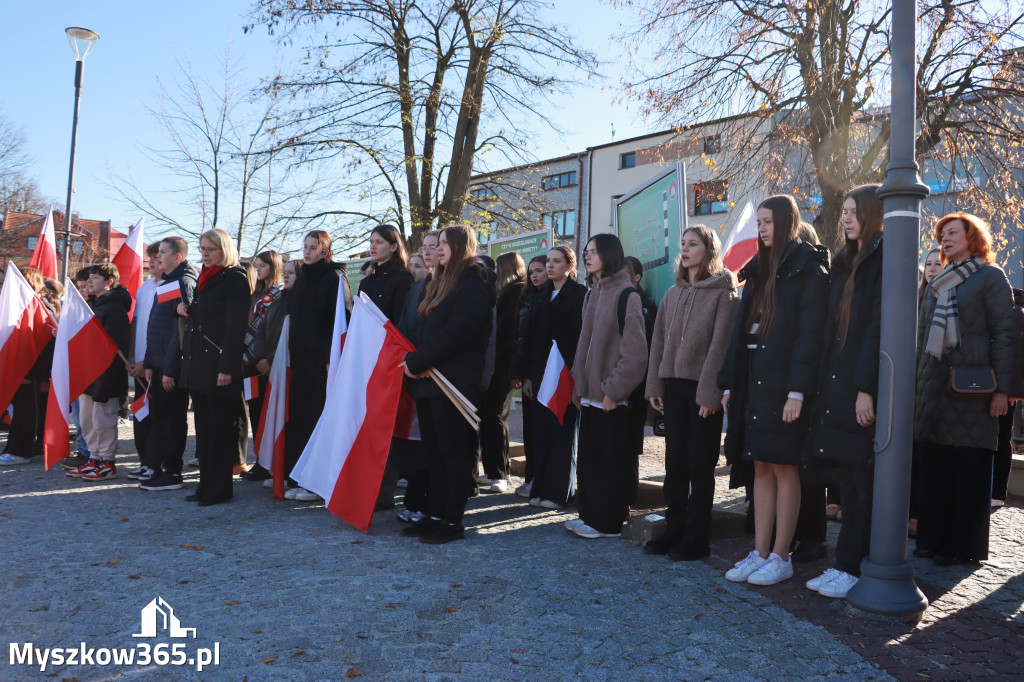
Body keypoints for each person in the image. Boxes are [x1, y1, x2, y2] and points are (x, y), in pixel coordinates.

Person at [719, 194, 829, 585]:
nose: (761, 229)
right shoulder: (759, 269)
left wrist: (797, 391)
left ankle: (782, 556)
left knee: (785, 467)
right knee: (760, 467)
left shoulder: (809, 270)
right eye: (759, 222)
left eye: (767, 222)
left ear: (786, 222)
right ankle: (760, 551)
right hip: (753, 383)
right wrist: (731, 383)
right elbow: (739, 334)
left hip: (784, 386)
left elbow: (809, 337)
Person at [914, 212, 1014, 565]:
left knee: (968, 468)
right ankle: (930, 539)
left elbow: (1006, 335)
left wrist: (1003, 390)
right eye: (942, 235)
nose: (945, 240)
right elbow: (921, 338)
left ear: (973, 237)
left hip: (972, 390)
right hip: (934, 389)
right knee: (936, 468)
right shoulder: (938, 281)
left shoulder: (990, 277)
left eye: (952, 233)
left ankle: (961, 547)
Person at [805, 185, 884, 598]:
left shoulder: (884, 257)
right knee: (847, 482)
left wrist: (865, 388)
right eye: (845, 212)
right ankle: (845, 564)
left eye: (854, 212)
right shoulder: (845, 261)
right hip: (837, 380)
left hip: (858, 384)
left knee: (860, 483)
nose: (846, 218)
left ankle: (853, 568)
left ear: (872, 213)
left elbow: (876, 330)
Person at [644, 225, 738, 560]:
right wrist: (655, 383)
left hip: (702, 394)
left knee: (700, 467)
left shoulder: (724, 293)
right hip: (673, 389)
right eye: (682, 244)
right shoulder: (673, 293)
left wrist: (710, 393)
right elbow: (657, 341)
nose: (685, 250)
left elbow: (721, 346)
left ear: (708, 250)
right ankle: (674, 531)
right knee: (675, 465)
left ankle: (697, 538)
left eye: (692, 244)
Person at [401, 224, 495, 544]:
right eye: (436, 243)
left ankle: (452, 521)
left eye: (444, 243)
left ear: (460, 245)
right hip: (429, 383)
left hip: (453, 385)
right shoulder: (439, 283)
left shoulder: (473, 284)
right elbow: (426, 333)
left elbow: (456, 334)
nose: (438, 248)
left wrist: (418, 361)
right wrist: (415, 363)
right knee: (434, 454)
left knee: (454, 454)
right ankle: (435, 514)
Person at [569, 234, 648, 539]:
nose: (587, 256)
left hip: (611, 398)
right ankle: (590, 516)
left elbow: (636, 355)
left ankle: (609, 523)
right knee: (590, 459)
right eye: (586, 252)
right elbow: (582, 347)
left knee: (609, 462)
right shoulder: (591, 294)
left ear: (609, 254)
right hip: (588, 396)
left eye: (593, 252)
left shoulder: (628, 295)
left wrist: (614, 390)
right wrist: (579, 385)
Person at [178, 229, 250, 506]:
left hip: (220, 365)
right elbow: (210, 318)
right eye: (202, 248)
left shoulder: (234, 279)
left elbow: (235, 328)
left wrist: (227, 368)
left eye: (210, 249)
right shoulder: (206, 279)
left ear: (224, 249)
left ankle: (218, 489)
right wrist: (187, 310)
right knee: (205, 431)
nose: (204, 254)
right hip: (201, 365)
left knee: (219, 431)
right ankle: (205, 486)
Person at [285, 230, 351, 501]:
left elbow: (341, 320)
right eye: (305, 246)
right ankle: (298, 476)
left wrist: (329, 358)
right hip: (300, 360)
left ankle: (315, 482)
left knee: (317, 418)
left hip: (322, 362)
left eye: (313, 247)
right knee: (300, 418)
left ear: (325, 251)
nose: (307, 251)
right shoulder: (301, 281)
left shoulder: (335, 278)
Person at [521, 246, 586, 510]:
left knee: (563, 432)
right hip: (539, 374)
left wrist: (576, 377)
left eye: (556, 261)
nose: (550, 266)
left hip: (566, 374)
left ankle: (560, 492)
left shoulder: (580, 295)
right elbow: (531, 338)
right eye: (548, 261)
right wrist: (526, 376)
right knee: (542, 432)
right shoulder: (540, 295)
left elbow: (580, 338)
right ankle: (540, 487)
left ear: (569, 266)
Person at [138, 237, 199, 492]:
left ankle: (173, 472)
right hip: (160, 364)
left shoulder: (182, 281)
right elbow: (159, 326)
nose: (157, 257)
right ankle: (162, 468)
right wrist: (152, 362)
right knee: (161, 419)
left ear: (177, 257)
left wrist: (170, 369)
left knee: (172, 420)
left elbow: (181, 331)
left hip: (171, 368)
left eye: (163, 252)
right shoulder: (168, 281)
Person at [66, 263, 133, 481]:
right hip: (90, 375)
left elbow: (115, 347)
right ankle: (94, 458)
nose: (90, 281)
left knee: (102, 421)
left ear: (109, 282)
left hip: (106, 377)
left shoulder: (113, 308)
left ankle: (107, 462)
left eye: (95, 277)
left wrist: (106, 378)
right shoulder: (94, 305)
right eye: (90, 277)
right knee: (87, 421)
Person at [392, 230, 441, 521]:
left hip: (438, 374)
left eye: (434, 246)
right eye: (424, 247)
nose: (427, 251)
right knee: (417, 442)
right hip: (415, 370)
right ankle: (414, 502)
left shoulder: (453, 286)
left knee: (432, 444)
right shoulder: (417, 287)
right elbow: (404, 328)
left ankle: (431, 507)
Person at [478, 252, 527, 493]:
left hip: (504, 363)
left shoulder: (515, 291)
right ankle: (494, 470)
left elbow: (506, 331)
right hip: (500, 361)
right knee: (492, 414)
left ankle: (499, 473)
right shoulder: (507, 293)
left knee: (494, 414)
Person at [0, 268, 56, 466]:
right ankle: (32, 447)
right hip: (27, 370)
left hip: (31, 371)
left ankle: (20, 452)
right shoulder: (26, 307)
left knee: (26, 411)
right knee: (27, 410)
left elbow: (43, 346)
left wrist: (35, 373)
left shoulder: (38, 308)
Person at [240, 251, 283, 482]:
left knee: (267, 413)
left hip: (265, 362)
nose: (258, 270)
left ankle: (270, 461)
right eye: (256, 266)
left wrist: (265, 358)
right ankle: (259, 459)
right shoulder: (255, 292)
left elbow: (271, 331)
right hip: (248, 363)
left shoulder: (279, 293)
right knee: (255, 411)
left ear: (273, 266)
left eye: (262, 265)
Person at [124, 243, 163, 481]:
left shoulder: (171, 287)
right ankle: (144, 461)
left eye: (157, 259)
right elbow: (136, 323)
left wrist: (147, 362)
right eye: (150, 259)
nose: (152, 264)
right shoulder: (144, 287)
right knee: (140, 415)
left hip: (155, 364)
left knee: (157, 416)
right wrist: (130, 356)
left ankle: (156, 463)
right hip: (137, 363)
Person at [512, 255, 549, 498]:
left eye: (539, 270)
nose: (534, 275)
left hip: (544, 371)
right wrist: (520, 373)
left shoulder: (549, 297)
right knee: (530, 429)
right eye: (531, 271)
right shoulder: (526, 297)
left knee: (541, 430)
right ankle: (531, 478)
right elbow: (520, 337)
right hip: (528, 371)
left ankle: (540, 479)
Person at [623, 255, 658, 506]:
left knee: (629, 447)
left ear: (636, 278)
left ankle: (628, 496)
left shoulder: (647, 308)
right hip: (614, 388)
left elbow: (643, 353)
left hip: (634, 390)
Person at [59, 269, 96, 469]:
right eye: (79, 287)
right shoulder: (75, 306)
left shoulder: (94, 308)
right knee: (77, 414)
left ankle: (87, 452)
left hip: (87, 369)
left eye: (85, 287)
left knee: (86, 416)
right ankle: (83, 450)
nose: (82, 291)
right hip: (74, 367)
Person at [359, 223, 414, 325]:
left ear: (393, 247)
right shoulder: (366, 282)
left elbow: (402, 322)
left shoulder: (403, 280)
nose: (373, 247)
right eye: (371, 242)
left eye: (379, 242)